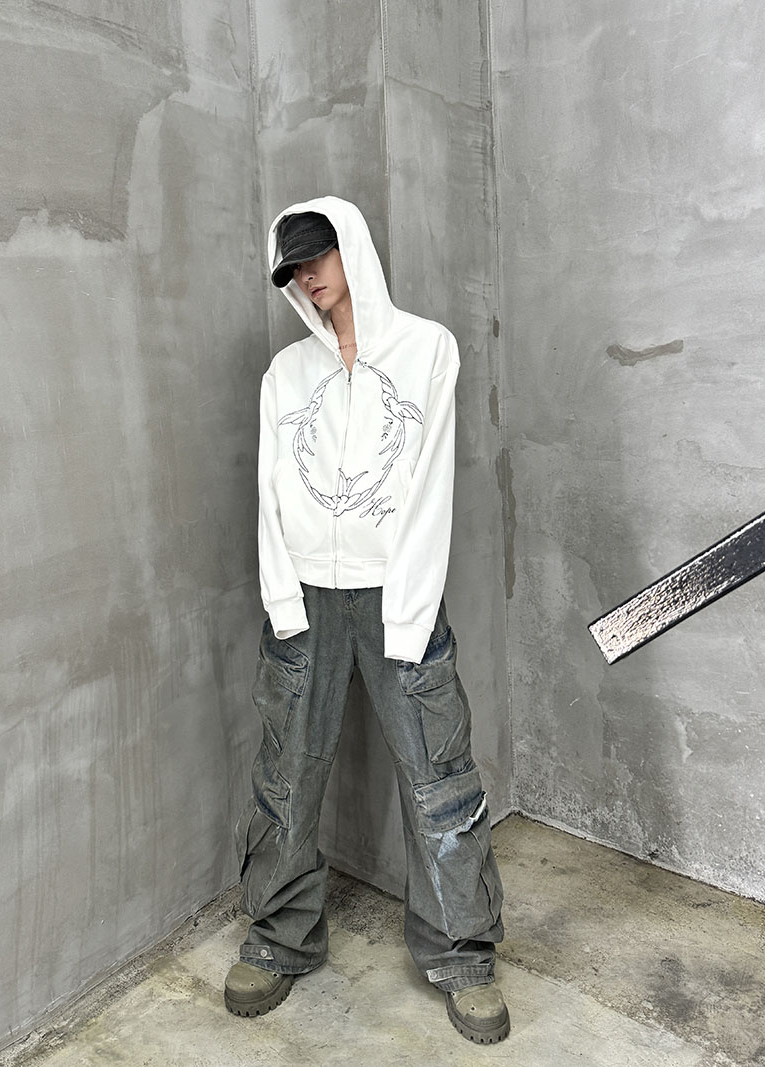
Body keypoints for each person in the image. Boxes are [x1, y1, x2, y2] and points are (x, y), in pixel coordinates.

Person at [224, 196, 509, 1044]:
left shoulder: (427, 349)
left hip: (397, 591)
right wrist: (283, 601)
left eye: (318, 255)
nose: (308, 275)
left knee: (439, 776)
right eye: (293, 267)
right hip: (307, 600)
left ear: (351, 246)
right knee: (285, 774)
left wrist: (411, 611)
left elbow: (429, 488)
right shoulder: (285, 375)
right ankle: (279, 937)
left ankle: (461, 953)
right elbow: (271, 494)